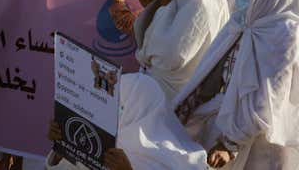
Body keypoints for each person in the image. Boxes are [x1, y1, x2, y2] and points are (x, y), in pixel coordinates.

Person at [173, 0, 299, 170]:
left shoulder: (286, 35)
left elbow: (269, 98)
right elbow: (211, 68)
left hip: (258, 140)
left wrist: (231, 144)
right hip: (221, 123)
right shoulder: (240, 22)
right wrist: (188, 104)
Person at [45, 73, 208, 170]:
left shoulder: (183, 162)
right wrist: (62, 147)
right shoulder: (103, 145)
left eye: (120, 107)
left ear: (143, 111)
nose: (111, 114)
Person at [134, 0, 229, 99]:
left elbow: (173, 55)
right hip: (158, 89)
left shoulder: (200, 9)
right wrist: (154, 5)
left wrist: (162, 9)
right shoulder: (184, 0)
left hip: (171, 95)